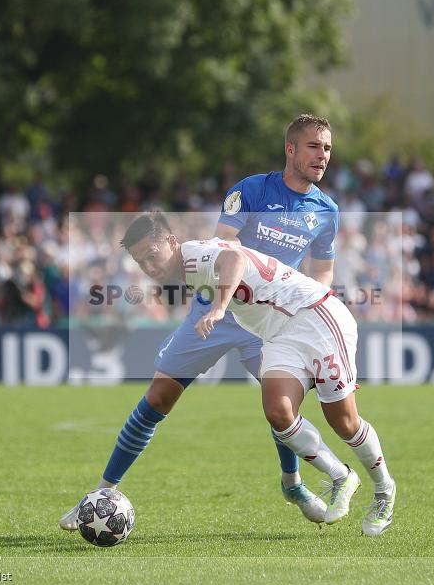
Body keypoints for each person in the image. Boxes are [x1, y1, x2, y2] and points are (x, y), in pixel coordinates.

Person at [60, 114, 341, 530]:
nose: (322, 155)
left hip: (269, 320)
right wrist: (222, 301)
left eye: (327, 148)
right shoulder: (250, 190)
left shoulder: (326, 210)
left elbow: (323, 272)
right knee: (158, 398)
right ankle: (102, 491)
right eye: (314, 146)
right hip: (217, 307)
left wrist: (311, 311)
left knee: (282, 406)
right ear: (291, 149)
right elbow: (226, 245)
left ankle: (293, 483)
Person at [115, 214, 397, 535]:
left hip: (315, 317)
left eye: (152, 255)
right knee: (278, 412)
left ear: (171, 242)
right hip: (279, 333)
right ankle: (340, 476)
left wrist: (219, 307)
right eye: (141, 262)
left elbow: (235, 257)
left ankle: (384, 490)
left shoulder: (192, 254)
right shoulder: (186, 269)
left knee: (343, 421)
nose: (150, 267)